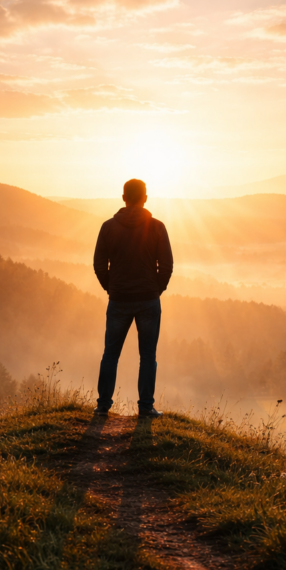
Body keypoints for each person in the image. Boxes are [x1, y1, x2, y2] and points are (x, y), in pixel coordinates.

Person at [93, 178, 173, 417]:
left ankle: (102, 406)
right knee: (148, 355)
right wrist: (155, 289)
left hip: (119, 299)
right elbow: (166, 265)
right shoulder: (157, 227)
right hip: (148, 299)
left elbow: (99, 264)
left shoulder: (108, 227)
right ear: (145, 198)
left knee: (111, 353)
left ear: (123, 198)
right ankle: (146, 407)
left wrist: (112, 287)